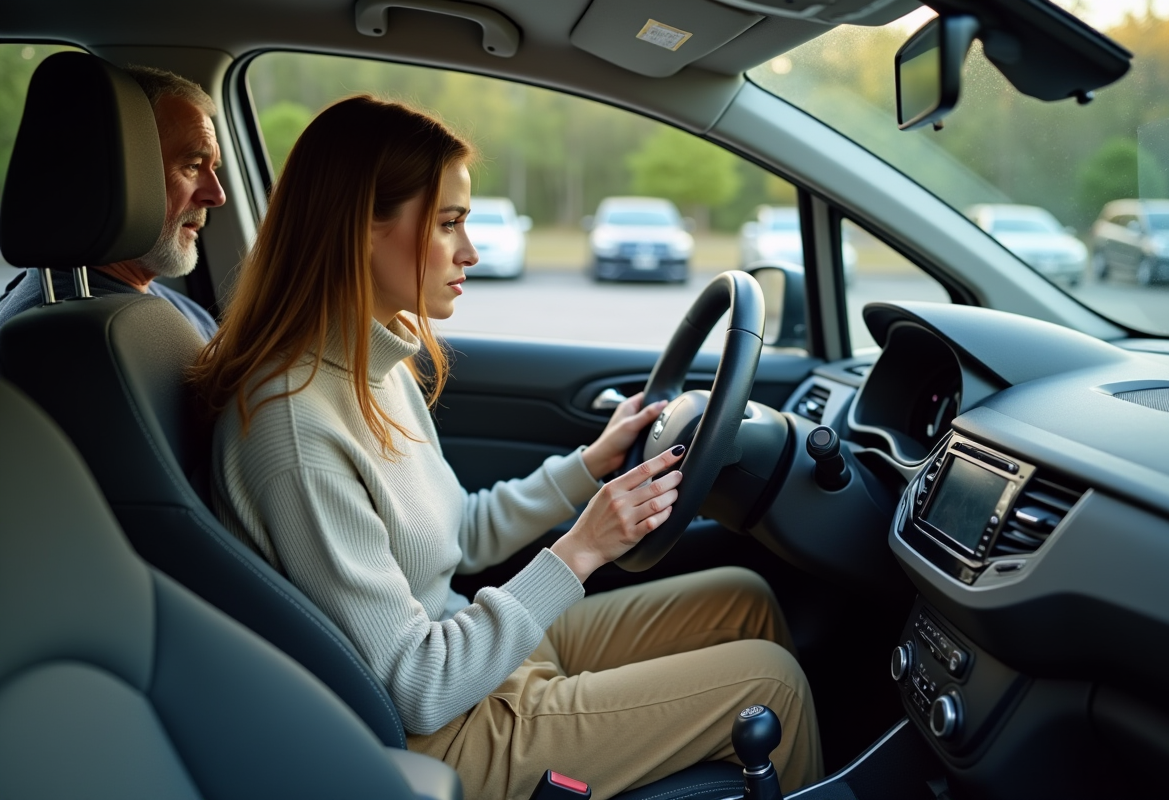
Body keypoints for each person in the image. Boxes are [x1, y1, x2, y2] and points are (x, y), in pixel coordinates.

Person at [191, 95, 821, 800]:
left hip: (475, 649)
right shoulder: (293, 430)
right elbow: (415, 689)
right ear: (361, 229)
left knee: (743, 598)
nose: (472, 251)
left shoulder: (376, 364)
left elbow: (458, 530)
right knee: (770, 685)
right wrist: (583, 547)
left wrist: (588, 468)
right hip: (445, 730)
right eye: (450, 222)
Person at [0, 65, 225, 339]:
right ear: (119, 173)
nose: (217, 196)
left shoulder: (163, 307)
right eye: (192, 165)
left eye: (214, 168)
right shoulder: (60, 340)